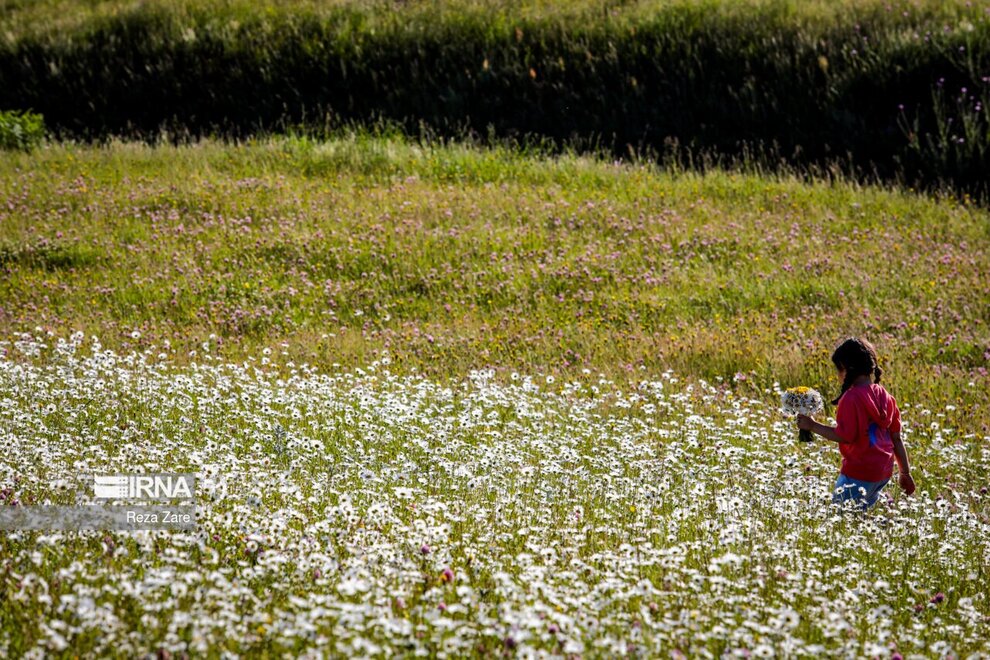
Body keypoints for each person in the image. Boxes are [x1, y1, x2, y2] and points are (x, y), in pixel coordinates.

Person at [797, 337, 916, 509]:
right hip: (882, 472)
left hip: (858, 473)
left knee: (841, 518)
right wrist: (905, 472)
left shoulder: (851, 398)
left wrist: (813, 426)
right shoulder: (886, 397)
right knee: (859, 518)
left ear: (845, 369)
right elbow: (896, 438)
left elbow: (845, 436)